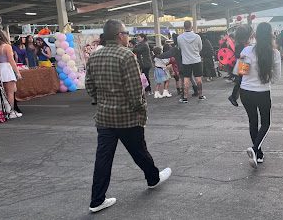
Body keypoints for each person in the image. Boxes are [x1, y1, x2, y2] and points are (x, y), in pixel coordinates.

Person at [85, 19, 171, 213]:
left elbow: (89, 86)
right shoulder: (126, 56)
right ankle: (153, 178)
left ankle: (97, 199)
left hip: (104, 117)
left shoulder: (94, 56)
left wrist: (102, 100)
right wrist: (141, 112)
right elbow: (135, 91)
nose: (128, 37)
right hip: (127, 117)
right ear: (119, 35)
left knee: (103, 158)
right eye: (126, 33)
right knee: (139, 151)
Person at [239, 22, 281, 168]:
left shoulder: (246, 50)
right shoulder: (274, 53)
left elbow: (241, 72)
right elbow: (276, 78)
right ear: (271, 35)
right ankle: (255, 149)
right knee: (266, 123)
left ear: (255, 35)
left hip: (245, 92)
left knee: (253, 121)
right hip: (262, 93)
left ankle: (259, 154)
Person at [0, 30, 22, 118]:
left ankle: (2, 111)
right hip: (6, 69)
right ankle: (10, 112)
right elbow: (11, 60)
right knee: (10, 92)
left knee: (2, 93)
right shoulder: (6, 46)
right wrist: (17, 72)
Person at [177, 21, 205, 103]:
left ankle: (185, 97)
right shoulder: (197, 37)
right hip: (196, 60)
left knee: (186, 79)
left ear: (184, 27)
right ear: (191, 27)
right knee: (198, 79)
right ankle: (200, 96)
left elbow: (179, 48)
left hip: (186, 61)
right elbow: (200, 48)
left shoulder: (180, 37)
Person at [228, 25, 252, 107]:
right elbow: (237, 54)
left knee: (241, 81)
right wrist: (242, 55)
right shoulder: (240, 44)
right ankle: (234, 96)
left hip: (243, 63)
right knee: (240, 81)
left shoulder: (239, 42)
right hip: (242, 63)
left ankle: (234, 96)